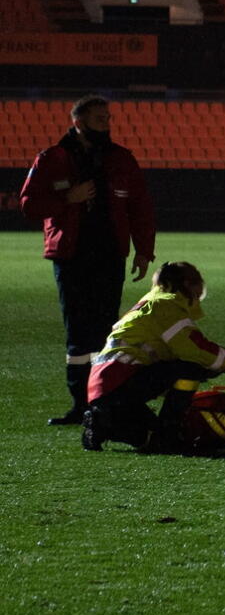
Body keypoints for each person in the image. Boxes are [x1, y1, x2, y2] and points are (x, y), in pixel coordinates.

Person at [20, 95, 155, 426]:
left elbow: (140, 206)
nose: (107, 124)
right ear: (79, 123)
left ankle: (102, 400)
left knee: (106, 328)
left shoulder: (121, 159)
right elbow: (28, 204)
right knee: (79, 331)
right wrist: (68, 198)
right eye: (100, 119)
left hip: (109, 255)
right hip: (72, 255)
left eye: (108, 118)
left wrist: (144, 249)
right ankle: (82, 405)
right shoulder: (52, 159)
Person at [81, 262, 225, 452]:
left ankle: (103, 422)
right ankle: (164, 431)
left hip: (107, 383)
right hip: (119, 381)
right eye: (198, 290)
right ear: (188, 284)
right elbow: (194, 348)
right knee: (190, 369)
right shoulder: (167, 305)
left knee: (148, 437)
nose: (198, 297)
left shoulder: (153, 301)